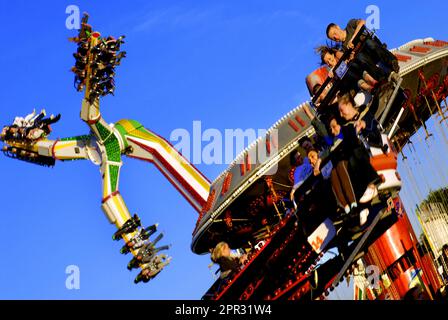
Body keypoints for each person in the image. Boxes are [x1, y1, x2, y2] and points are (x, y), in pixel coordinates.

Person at [338, 93, 381, 204]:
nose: (341, 115)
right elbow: (348, 140)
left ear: (349, 104)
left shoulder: (365, 112)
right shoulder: (346, 127)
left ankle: (371, 185)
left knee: (355, 152)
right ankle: (361, 201)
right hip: (362, 153)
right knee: (351, 154)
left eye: (342, 110)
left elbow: (375, 128)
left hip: (375, 145)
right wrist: (355, 132)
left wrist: (364, 125)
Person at [326, 19, 399, 76]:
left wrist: (352, 39)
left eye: (334, 33)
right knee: (359, 57)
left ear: (338, 27)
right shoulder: (344, 49)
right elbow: (347, 61)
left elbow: (362, 22)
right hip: (367, 58)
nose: (335, 37)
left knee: (369, 43)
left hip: (372, 46)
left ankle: (392, 62)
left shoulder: (350, 25)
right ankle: (381, 76)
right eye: (333, 38)